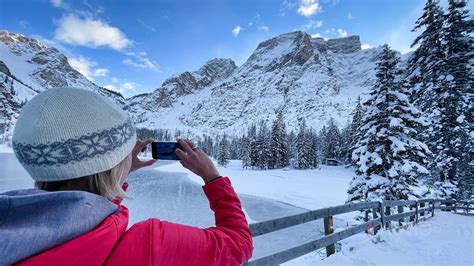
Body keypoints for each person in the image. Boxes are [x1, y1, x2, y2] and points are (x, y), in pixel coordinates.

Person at [0, 87, 253, 265]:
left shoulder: (10, 229)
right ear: (113, 162)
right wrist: (212, 177)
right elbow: (239, 243)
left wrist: (116, 173)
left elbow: (85, 214)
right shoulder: (151, 245)